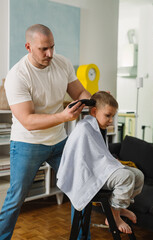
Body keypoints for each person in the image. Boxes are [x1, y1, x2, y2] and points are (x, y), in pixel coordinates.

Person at [0, 24, 91, 240]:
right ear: (28, 47)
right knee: (16, 198)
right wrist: (63, 116)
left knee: (81, 188)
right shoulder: (17, 76)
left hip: (59, 141)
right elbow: (28, 121)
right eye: (43, 49)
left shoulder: (62, 63)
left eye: (52, 47)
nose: (49, 54)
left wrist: (93, 100)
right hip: (27, 143)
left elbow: (79, 91)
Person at [57, 91, 144, 236]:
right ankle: (114, 217)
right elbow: (83, 159)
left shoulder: (98, 128)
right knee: (126, 177)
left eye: (113, 116)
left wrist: (110, 161)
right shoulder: (84, 128)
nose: (111, 120)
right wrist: (108, 163)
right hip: (89, 174)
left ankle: (120, 206)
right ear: (94, 111)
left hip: (99, 169)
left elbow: (99, 153)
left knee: (138, 175)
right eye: (108, 115)